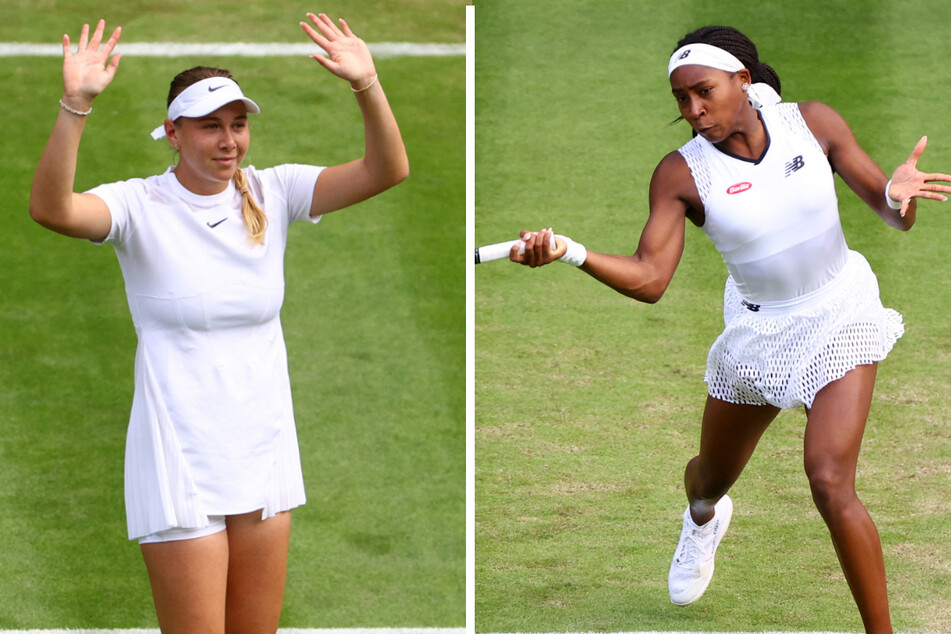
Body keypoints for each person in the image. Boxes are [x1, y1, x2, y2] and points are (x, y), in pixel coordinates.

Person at [510, 25, 951, 633]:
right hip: (758, 336)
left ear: (743, 81)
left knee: (828, 478)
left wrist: (901, 197)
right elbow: (650, 278)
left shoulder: (812, 123)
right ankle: (702, 519)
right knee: (709, 479)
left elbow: (888, 210)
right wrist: (570, 252)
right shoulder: (681, 174)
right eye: (681, 100)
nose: (693, 110)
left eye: (703, 92)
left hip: (839, 314)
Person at [29, 13, 408, 633]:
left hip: (262, 452)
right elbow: (52, 209)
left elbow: (386, 169)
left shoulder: (274, 191)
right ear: (174, 134)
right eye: (210, 127)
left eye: (237, 124)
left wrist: (367, 84)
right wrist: (75, 106)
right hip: (178, 456)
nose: (229, 140)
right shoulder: (136, 205)